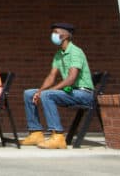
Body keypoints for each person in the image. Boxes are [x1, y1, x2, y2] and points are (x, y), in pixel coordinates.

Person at [21, 22, 95, 150]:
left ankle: (58, 137)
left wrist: (47, 91)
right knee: (29, 93)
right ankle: (36, 133)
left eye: (56, 32)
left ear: (65, 35)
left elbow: (71, 78)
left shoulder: (75, 52)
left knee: (47, 94)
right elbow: (51, 77)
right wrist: (39, 91)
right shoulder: (58, 54)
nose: (53, 35)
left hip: (83, 93)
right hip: (70, 91)